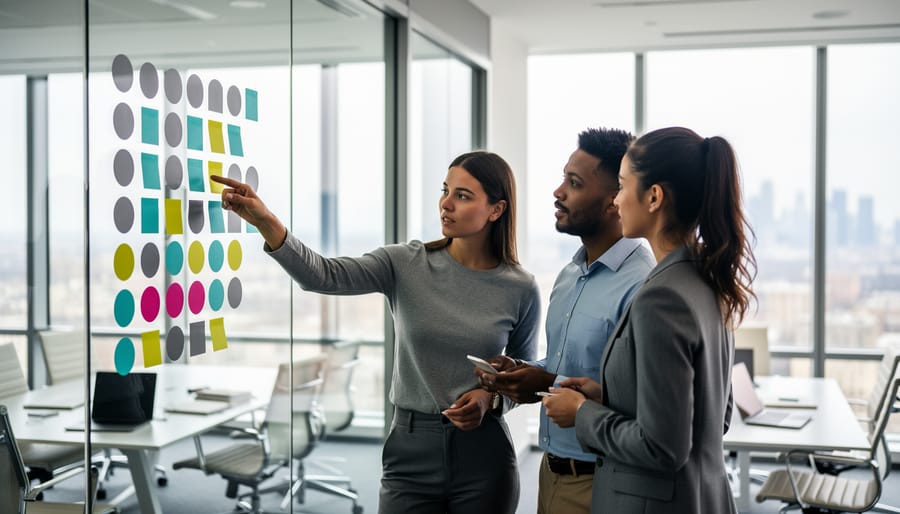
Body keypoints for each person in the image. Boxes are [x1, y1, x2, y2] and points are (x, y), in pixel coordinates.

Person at [211, 150, 540, 514]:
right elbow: (322, 274)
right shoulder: (406, 263)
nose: (446, 204)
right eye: (445, 191)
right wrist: (265, 221)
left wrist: (489, 398)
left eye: (463, 196)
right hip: (410, 447)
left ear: (496, 209)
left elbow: (524, 377)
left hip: (484, 455)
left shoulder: (520, 287)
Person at [543, 126, 756, 514]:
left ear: (654, 197)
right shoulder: (707, 277)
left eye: (623, 187)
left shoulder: (661, 296)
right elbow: (711, 414)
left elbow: (663, 447)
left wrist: (582, 413)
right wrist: (608, 396)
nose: (617, 200)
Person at [476, 127, 654, 514]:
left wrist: (547, 382)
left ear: (614, 200)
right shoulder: (570, 274)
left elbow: (650, 402)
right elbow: (567, 366)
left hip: (604, 478)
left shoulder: (643, 286)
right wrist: (526, 372)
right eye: (563, 178)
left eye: (574, 183)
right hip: (551, 470)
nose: (558, 192)